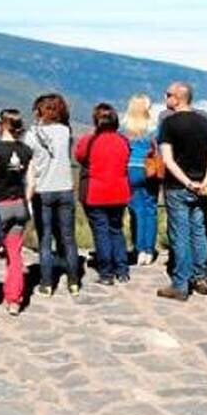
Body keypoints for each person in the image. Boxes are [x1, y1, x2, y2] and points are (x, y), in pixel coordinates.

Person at [157, 83, 207, 301]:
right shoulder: (206, 123)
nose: (165, 97)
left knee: (180, 234)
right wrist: (204, 181)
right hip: (200, 187)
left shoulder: (168, 124)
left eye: (168, 95)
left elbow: (168, 159)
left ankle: (180, 284)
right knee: (198, 232)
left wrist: (186, 182)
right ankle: (200, 277)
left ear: (177, 98)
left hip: (177, 187)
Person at [23, 93, 81, 297]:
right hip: (65, 188)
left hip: (42, 190)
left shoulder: (32, 134)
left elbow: (27, 159)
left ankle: (47, 283)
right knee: (68, 238)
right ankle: (74, 282)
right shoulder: (66, 132)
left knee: (45, 239)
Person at [0, 110, 33, 316]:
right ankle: (14, 300)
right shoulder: (27, 151)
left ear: (2, 125)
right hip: (19, 204)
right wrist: (24, 200)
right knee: (15, 254)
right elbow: (32, 183)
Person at [76, 103, 131, 286]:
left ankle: (106, 273)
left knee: (101, 232)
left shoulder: (89, 141)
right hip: (119, 192)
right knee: (116, 230)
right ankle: (122, 270)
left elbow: (79, 156)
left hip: (95, 193)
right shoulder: (123, 141)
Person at [124, 94, 160, 265]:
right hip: (150, 169)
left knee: (136, 210)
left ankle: (138, 249)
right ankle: (148, 250)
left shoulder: (125, 129)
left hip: (131, 169)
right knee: (150, 209)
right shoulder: (154, 128)